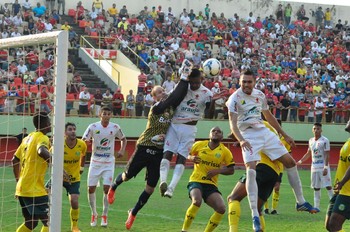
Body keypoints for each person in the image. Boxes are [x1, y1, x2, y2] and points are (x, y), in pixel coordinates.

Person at [226, 69, 317, 232]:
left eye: (249, 81)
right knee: (251, 169)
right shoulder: (234, 98)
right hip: (248, 135)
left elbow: (268, 116)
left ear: (254, 81)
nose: (246, 84)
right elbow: (232, 123)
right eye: (243, 81)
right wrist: (241, 140)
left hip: (263, 132)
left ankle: (300, 202)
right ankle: (255, 215)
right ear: (239, 82)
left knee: (290, 162)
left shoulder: (260, 95)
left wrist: (285, 134)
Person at [107, 63, 190, 230]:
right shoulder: (156, 108)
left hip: (159, 152)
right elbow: (173, 98)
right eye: (159, 92)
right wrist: (183, 77)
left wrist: (186, 79)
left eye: (163, 90)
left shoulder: (171, 109)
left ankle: (133, 212)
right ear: (154, 97)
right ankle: (113, 187)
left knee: (150, 188)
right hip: (145, 146)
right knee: (127, 176)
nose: (163, 92)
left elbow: (178, 97)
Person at [159, 68, 214, 198]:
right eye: (192, 82)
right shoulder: (182, 87)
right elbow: (171, 98)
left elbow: (209, 115)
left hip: (190, 128)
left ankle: (171, 188)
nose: (194, 85)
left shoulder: (207, 93)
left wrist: (213, 102)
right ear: (188, 80)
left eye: (197, 82)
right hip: (174, 125)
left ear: (202, 80)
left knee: (182, 157)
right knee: (167, 153)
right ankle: (163, 182)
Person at [227, 121, 290, 231]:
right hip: (274, 173)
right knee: (258, 209)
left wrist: (240, 138)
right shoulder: (277, 137)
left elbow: (232, 134)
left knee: (233, 198)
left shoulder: (260, 123)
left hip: (260, 167)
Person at [181, 127, 235, 232]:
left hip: (211, 184)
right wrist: (191, 158)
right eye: (213, 131)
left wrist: (217, 171)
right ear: (209, 135)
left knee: (221, 208)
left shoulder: (225, 151)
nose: (215, 132)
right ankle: (184, 230)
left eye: (218, 131)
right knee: (197, 201)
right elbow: (185, 153)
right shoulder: (200, 144)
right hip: (196, 181)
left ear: (222, 137)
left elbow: (231, 169)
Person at [82, 106, 127, 227]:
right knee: (90, 189)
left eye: (108, 114)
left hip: (108, 162)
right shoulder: (93, 127)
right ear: (100, 115)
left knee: (107, 189)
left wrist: (122, 150)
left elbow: (124, 139)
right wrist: (87, 142)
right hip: (95, 162)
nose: (106, 116)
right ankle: (94, 213)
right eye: (104, 113)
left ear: (111, 115)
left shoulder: (115, 127)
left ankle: (104, 215)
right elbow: (83, 140)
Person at [12, 112, 52, 232]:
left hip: (22, 187)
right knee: (50, 221)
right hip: (34, 189)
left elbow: (14, 160)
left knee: (31, 223)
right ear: (43, 124)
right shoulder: (42, 137)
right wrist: (57, 166)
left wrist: (18, 181)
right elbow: (41, 151)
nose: (50, 125)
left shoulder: (26, 138)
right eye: (49, 122)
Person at [297, 123, 333, 210]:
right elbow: (308, 153)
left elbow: (327, 155)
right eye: (314, 129)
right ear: (312, 130)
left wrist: (325, 167)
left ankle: (333, 204)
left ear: (321, 130)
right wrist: (300, 161)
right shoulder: (311, 140)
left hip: (323, 167)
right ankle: (316, 207)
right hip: (314, 168)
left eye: (318, 129)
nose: (316, 130)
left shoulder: (325, 140)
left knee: (328, 185)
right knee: (316, 187)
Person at [325, 120, 350, 231]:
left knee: (334, 224)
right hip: (340, 190)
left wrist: (342, 182)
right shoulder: (348, 141)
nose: (348, 121)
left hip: (347, 191)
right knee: (329, 226)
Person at [62, 123, 87, 232]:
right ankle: (46, 225)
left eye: (74, 129)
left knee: (74, 201)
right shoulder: (59, 144)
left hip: (74, 178)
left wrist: (81, 167)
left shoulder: (81, 144)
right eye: (70, 129)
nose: (73, 131)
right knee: (45, 197)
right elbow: (50, 159)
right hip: (59, 177)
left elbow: (84, 154)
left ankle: (74, 227)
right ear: (65, 133)